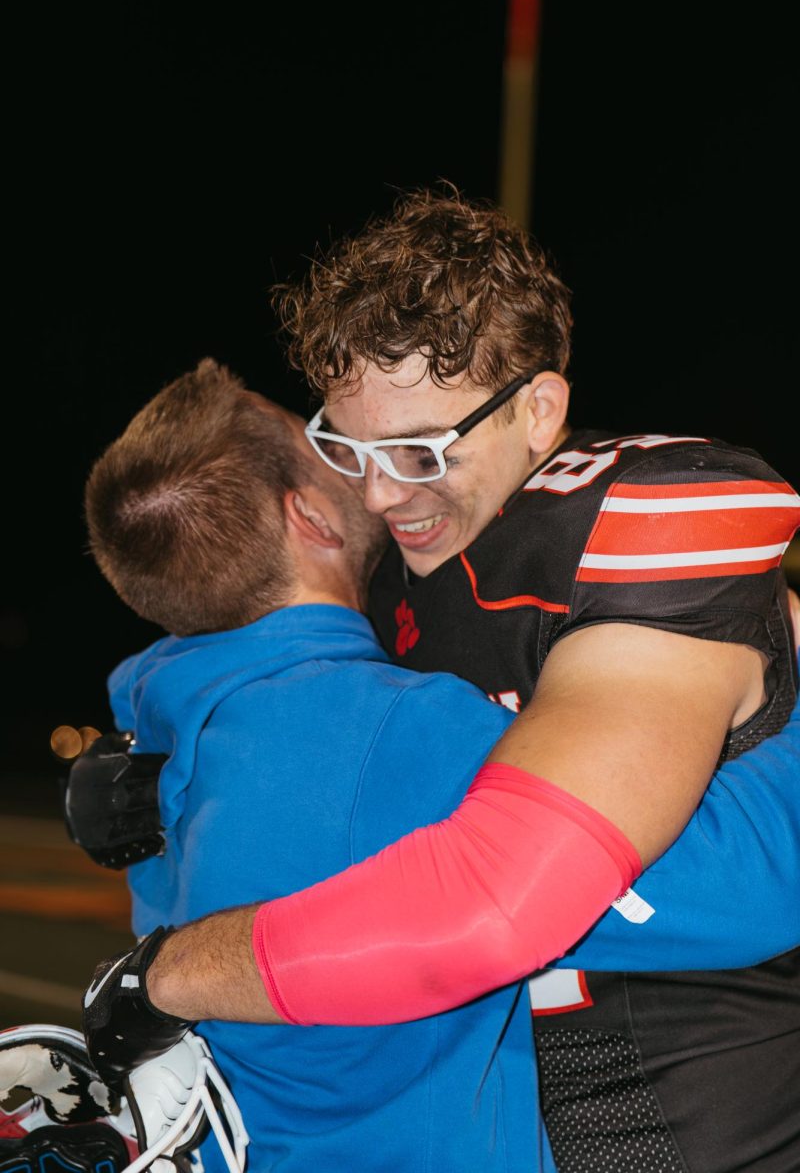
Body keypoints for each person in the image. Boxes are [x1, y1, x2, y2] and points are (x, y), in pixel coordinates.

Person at [84, 190, 800, 1171]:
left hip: (709, 1127)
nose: (380, 493)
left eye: (419, 450)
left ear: (538, 411)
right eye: (347, 448)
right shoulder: (394, 579)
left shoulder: (637, 527)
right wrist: (156, 767)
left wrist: (167, 973)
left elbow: (501, 900)